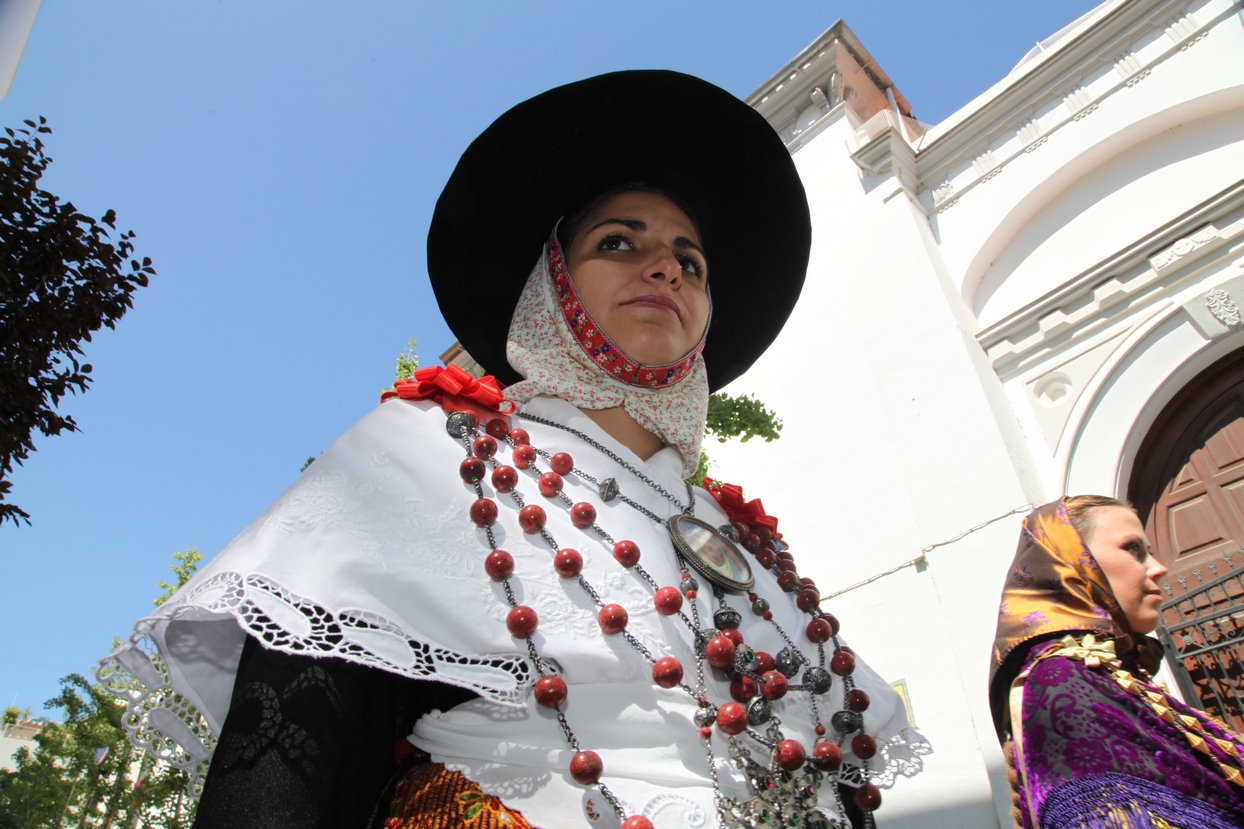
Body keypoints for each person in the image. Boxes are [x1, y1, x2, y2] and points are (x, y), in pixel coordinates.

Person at [98, 70, 927, 829]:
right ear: (551, 284)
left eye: (692, 261)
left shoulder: (751, 546)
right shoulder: (430, 453)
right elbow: (298, 760)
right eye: (619, 242)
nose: (666, 268)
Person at [989, 496, 1244, 828]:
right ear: (1073, 565)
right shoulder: (1062, 682)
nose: (1158, 566)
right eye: (1133, 549)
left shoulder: (1107, 673)